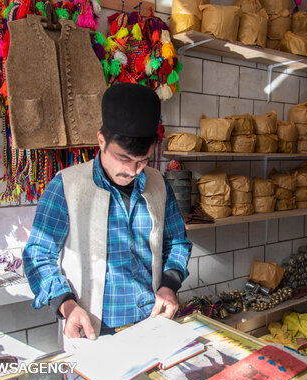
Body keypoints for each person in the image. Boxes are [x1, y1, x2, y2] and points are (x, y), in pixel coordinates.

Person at [23, 83, 193, 348]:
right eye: (123, 158)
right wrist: (66, 304)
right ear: (101, 140)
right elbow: (38, 254)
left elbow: (177, 243)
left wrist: (169, 284)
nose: (133, 170)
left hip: (153, 326)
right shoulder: (66, 186)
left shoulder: (159, 184)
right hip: (93, 333)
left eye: (143, 160)